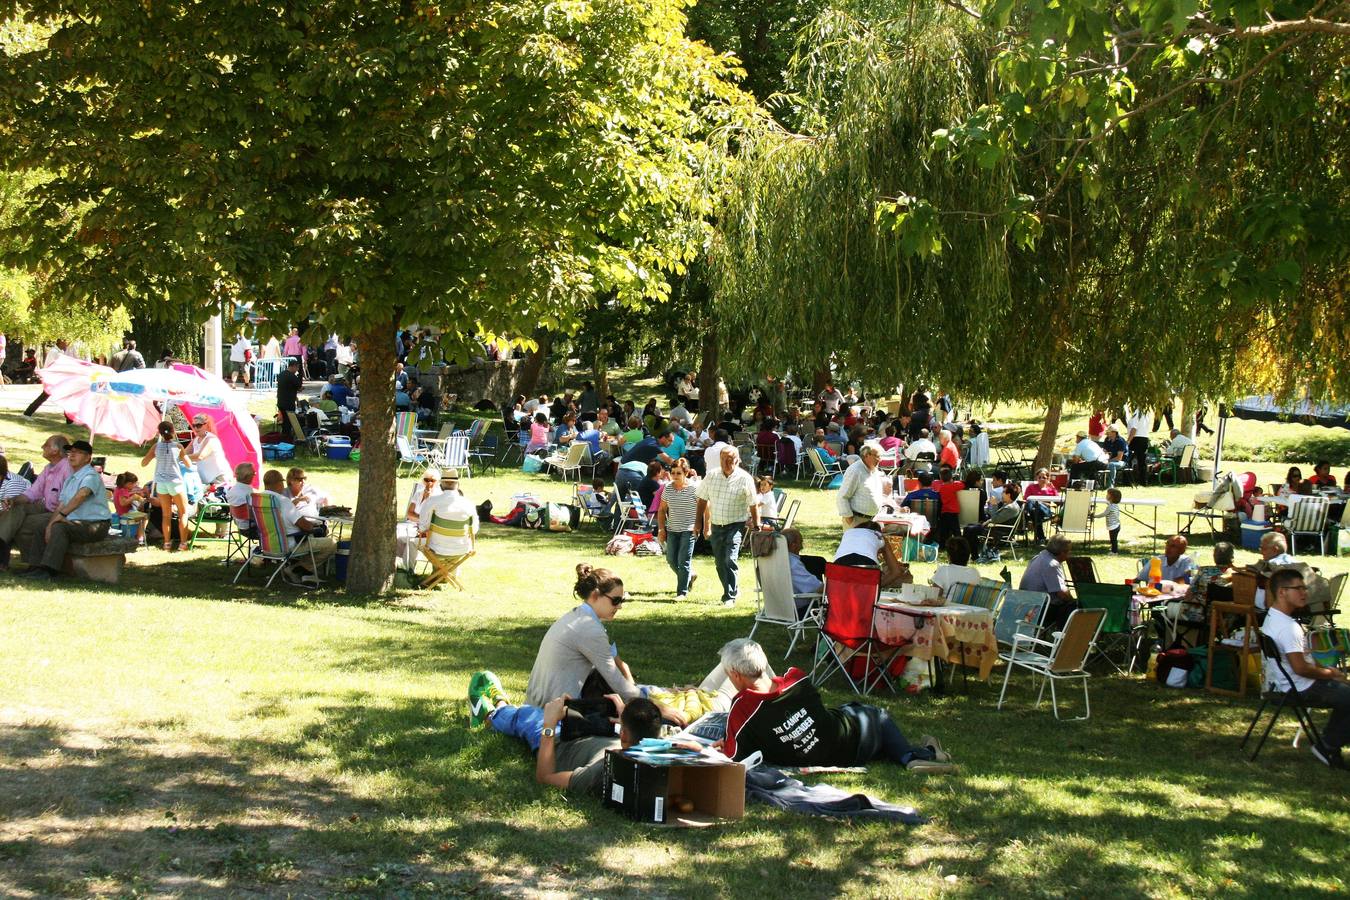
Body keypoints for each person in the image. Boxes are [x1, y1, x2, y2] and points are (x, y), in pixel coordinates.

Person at [719, 639, 954, 772]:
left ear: (736, 674)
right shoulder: (797, 679)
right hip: (847, 741)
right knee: (875, 714)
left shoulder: (742, 708)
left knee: (853, 710)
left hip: (823, 755)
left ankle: (918, 754)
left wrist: (727, 744)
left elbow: (737, 755)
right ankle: (914, 755)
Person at [523, 564, 687, 724]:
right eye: (615, 600)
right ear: (595, 595)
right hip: (553, 712)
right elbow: (616, 681)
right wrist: (656, 707)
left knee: (637, 694)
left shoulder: (577, 616)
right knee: (648, 717)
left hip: (538, 703)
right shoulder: (589, 629)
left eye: (622, 600)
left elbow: (611, 671)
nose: (620, 606)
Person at [470, 671, 664, 795]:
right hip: (589, 732)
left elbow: (544, 778)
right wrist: (623, 715)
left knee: (527, 715)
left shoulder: (601, 772)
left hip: (556, 743)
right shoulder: (656, 750)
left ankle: (492, 711)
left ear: (624, 735)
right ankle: (501, 706)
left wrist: (549, 725)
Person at [1260, 567, 1350, 770]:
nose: (1304, 593)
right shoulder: (1288, 627)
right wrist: (1330, 673)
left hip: (1282, 683)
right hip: (1298, 687)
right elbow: (1300, 668)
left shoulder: (1272, 617)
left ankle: (1332, 741)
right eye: (1298, 588)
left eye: (1304, 588)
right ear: (1282, 592)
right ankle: (1328, 746)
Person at [20, 440, 112, 580]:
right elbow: (61, 505)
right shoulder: (71, 479)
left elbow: (81, 495)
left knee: (59, 528)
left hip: (96, 524)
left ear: (88, 458)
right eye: (70, 452)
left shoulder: (90, 475)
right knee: (42, 526)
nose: (72, 455)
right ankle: (35, 567)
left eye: (78, 453)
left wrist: (58, 519)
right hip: (77, 521)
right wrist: (50, 524)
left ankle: (49, 570)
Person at [696, 446, 760, 608]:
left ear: (737, 460)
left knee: (730, 559)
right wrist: (699, 522)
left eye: (730, 459)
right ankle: (732, 588)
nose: (726, 462)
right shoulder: (711, 475)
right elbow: (702, 499)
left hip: (735, 524)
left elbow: (753, 504)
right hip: (717, 524)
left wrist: (756, 524)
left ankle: (729, 596)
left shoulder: (744, 478)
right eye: (723, 458)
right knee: (719, 562)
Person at [0, 434, 73, 570]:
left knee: (23, 524)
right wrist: (13, 500)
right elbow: (32, 493)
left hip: (61, 512)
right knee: (16, 507)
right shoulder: (48, 468)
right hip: (46, 506)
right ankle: (28, 560)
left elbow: (66, 502)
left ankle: (35, 564)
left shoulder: (67, 468)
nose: (42, 447)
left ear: (55, 450)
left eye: (46, 444)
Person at [260, 468, 335, 587]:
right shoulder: (283, 501)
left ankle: (299, 571)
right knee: (331, 543)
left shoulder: (257, 499)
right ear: (280, 483)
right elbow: (306, 526)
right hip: (289, 545)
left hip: (267, 545)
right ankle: (295, 569)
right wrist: (313, 527)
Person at [141, 421, 191, 552]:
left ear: (160, 433)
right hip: (175, 482)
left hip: (161, 483)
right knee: (183, 513)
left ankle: (167, 544)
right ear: (173, 431)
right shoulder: (178, 446)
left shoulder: (156, 447)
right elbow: (189, 464)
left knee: (166, 515)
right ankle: (183, 544)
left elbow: (143, 463)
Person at [657, 458, 699, 599]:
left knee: (683, 560)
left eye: (678, 473)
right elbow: (662, 510)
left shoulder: (694, 488)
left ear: (686, 473)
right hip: (672, 529)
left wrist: (702, 526)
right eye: (673, 473)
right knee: (671, 559)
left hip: (689, 529)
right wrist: (661, 529)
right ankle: (689, 576)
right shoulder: (668, 488)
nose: (675, 476)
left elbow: (705, 508)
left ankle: (682, 592)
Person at [1020, 534, 1075, 631]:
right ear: (1062, 552)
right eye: (1069, 551)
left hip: (1024, 604)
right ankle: (1064, 638)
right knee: (1073, 607)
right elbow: (1062, 594)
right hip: (1038, 609)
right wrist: (1074, 600)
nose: (1069, 554)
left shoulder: (1038, 557)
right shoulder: (1052, 564)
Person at [834, 521, 908, 589]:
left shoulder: (848, 533)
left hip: (838, 568)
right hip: (866, 566)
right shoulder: (880, 537)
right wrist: (877, 587)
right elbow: (896, 571)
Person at [398, 467, 442, 569]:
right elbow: (409, 514)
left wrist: (419, 518)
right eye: (427, 480)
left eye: (432, 480)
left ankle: (405, 569)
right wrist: (422, 519)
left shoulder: (438, 496)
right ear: (423, 481)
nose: (429, 483)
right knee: (396, 534)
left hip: (424, 528)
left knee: (409, 539)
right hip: (411, 524)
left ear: (437, 482)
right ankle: (397, 564)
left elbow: (432, 519)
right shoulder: (418, 493)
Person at [968, 482, 1022, 561]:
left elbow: (994, 519)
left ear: (1008, 495)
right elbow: (995, 517)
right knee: (970, 527)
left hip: (996, 531)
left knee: (969, 529)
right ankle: (973, 555)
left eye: (1003, 492)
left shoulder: (1010, 508)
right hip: (995, 528)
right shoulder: (1009, 504)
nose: (1001, 494)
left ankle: (974, 555)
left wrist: (993, 505)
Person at [834, 444, 884, 528]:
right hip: (857, 521)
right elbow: (842, 496)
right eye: (877, 456)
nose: (880, 459)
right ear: (866, 455)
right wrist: (849, 519)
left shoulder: (874, 470)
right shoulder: (855, 471)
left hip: (873, 520)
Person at [22, 339, 69, 418]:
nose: (66, 344)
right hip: (54, 379)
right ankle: (27, 413)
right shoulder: (54, 352)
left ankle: (69, 419)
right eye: (65, 342)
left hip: (57, 379)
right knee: (44, 397)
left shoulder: (59, 352)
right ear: (61, 342)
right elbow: (51, 365)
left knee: (63, 397)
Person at [1254, 531, 1299, 609]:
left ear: (1275, 550)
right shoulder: (1295, 562)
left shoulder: (1271, 565)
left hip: (1266, 610)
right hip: (1295, 607)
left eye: (1263, 548)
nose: (1260, 552)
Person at [186, 414, 231, 488]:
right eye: (193, 425)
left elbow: (200, 456)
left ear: (207, 425)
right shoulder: (196, 439)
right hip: (207, 482)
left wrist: (181, 457)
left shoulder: (211, 439)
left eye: (199, 425)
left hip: (219, 480)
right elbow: (184, 452)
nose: (195, 428)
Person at [1023, 468, 1059, 543]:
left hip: (1046, 511)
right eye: (1039, 477)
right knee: (1034, 511)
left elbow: (1058, 501)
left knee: (1033, 501)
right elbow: (1026, 499)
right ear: (1036, 478)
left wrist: (1053, 488)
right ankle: (1041, 538)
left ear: (1048, 478)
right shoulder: (1031, 487)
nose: (1041, 479)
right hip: (1035, 511)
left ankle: (1027, 518)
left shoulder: (1050, 489)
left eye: (1044, 477)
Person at [933, 466, 966, 544]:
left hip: (944, 511)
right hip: (953, 512)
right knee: (956, 530)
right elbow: (962, 485)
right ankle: (960, 543)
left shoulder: (941, 487)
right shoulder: (953, 486)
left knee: (944, 530)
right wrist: (954, 481)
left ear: (941, 477)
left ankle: (942, 544)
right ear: (951, 477)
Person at [1124, 405, 1152, 488]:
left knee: (1128, 459)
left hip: (1136, 438)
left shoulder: (1137, 413)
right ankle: (1143, 481)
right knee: (1142, 461)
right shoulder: (1145, 413)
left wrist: (1128, 441)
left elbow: (1134, 429)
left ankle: (1127, 481)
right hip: (1144, 438)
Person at [276, 359, 302, 437]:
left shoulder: (281, 374)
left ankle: (284, 434)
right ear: (293, 366)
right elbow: (299, 387)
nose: (297, 370)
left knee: (284, 420)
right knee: (289, 421)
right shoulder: (292, 376)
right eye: (297, 368)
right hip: (289, 402)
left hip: (281, 400)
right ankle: (286, 436)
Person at [1096, 487, 1123, 553]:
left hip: (1113, 526)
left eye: (1108, 494)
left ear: (1111, 497)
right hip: (1116, 525)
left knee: (1113, 540)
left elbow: (1104, 514)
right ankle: (1113, 550)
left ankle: (1114, 552)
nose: (1106, 495)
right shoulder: (1114, 505)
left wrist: (1094, 516)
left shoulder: (1110, 507)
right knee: (1113, 539)